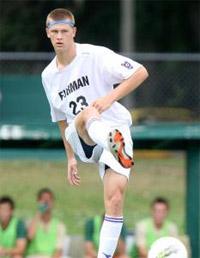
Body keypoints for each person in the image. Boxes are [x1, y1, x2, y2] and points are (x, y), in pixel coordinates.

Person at [42, 8, 148, 258]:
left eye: (64, 31)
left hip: (116, 130)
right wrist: (70, 158)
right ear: (47, 34)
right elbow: (59, 118)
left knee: (114, 199)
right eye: (54, 31)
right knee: (87, 115)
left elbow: (140, 72)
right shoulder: (48, 76)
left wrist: (110, 98)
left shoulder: (95, 55)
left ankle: (104, 256)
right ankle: (107, 140)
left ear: (74, 32)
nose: (59, 36)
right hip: (81, 139)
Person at [26, 188, 66, 258]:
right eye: (43, 199)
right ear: (38, 201)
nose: (46, 202)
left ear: (53, 202)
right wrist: (39, 212)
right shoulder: (30, 222)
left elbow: (58, 250)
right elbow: (30, 237)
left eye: (49, 199)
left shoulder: (59, 225)